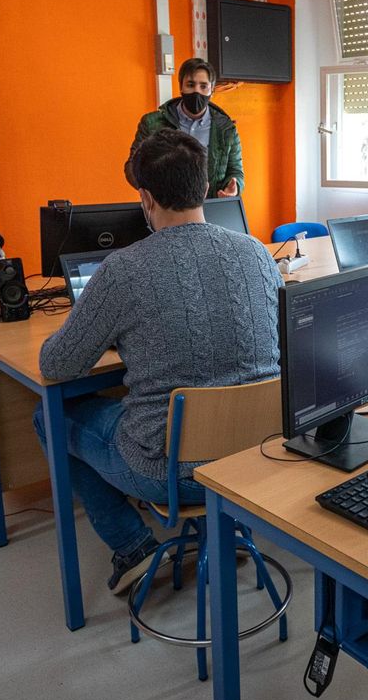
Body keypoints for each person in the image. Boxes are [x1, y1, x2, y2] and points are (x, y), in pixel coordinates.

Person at [38, 128, 281, 594]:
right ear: (205, 186)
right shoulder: (257, 253)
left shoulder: (123, 270)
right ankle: (224, 526)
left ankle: (133, 547)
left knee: (48, 416)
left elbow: (56, 365)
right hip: (257, 456)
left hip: (170, 472)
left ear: (146, 199)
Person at [126, 57, 244, 198]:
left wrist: (234, 188)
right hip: (166, 206)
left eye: (203, 86)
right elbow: (133, 167)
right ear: (181, 87)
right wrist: (156, 191)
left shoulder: (226, 129)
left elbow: (236, 171)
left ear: (212, 90)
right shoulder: (152, 123)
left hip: (210, 206)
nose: (196, 91)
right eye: (190, 85)